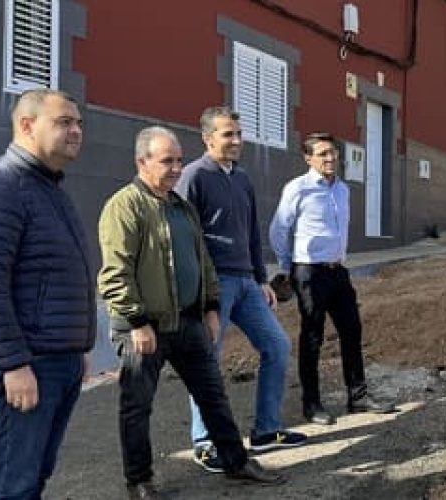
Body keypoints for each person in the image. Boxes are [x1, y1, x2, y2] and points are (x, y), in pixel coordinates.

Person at [97, 127, 285, 499]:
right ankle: (139, 480)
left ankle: (236, 461)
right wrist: (137, 320)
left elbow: (203, 262)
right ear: (142, 162)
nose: (176, 168)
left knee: (213, 394)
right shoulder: (124, 206)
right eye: (167, 161)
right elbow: (114, 273)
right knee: (137, 406)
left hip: (187, 322)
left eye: (179, 160)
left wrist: (212, 307)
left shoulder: (181, 208)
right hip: (144, 329)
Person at [0, 89, 95, 500]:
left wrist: (77, 345)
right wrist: (13, 363)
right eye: (64, 122)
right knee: (16, 482)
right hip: (30, 363)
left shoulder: (48, 188)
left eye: (79, 123)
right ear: (27, 125)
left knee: (34, 475)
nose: (76, 131)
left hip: (59, 358)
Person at [175, 107, 305, 468]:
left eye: (238, 134)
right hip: (213, 284)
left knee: (277, 346)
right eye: (227, 134)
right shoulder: (193, 176)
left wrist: (262, 279)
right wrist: (200, 292)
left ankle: (266, 430)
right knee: (207, 360)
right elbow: (186, 238)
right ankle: (205, 440)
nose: (235, 141)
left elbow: (250, 233)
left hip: (246, 282)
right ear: (207, 138)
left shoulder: (242, 179)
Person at [269, 132, 395, 425]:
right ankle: (312, 404)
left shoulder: (342, 189)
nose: (330, 159)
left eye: (333, 153)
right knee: (312, 337)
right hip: (309, 272)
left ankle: (358, 396)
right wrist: (288, 268)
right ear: (308, 158)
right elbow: (278, 229)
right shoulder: (298, 188)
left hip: (338, 271)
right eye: (323, 153)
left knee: (352, 330)